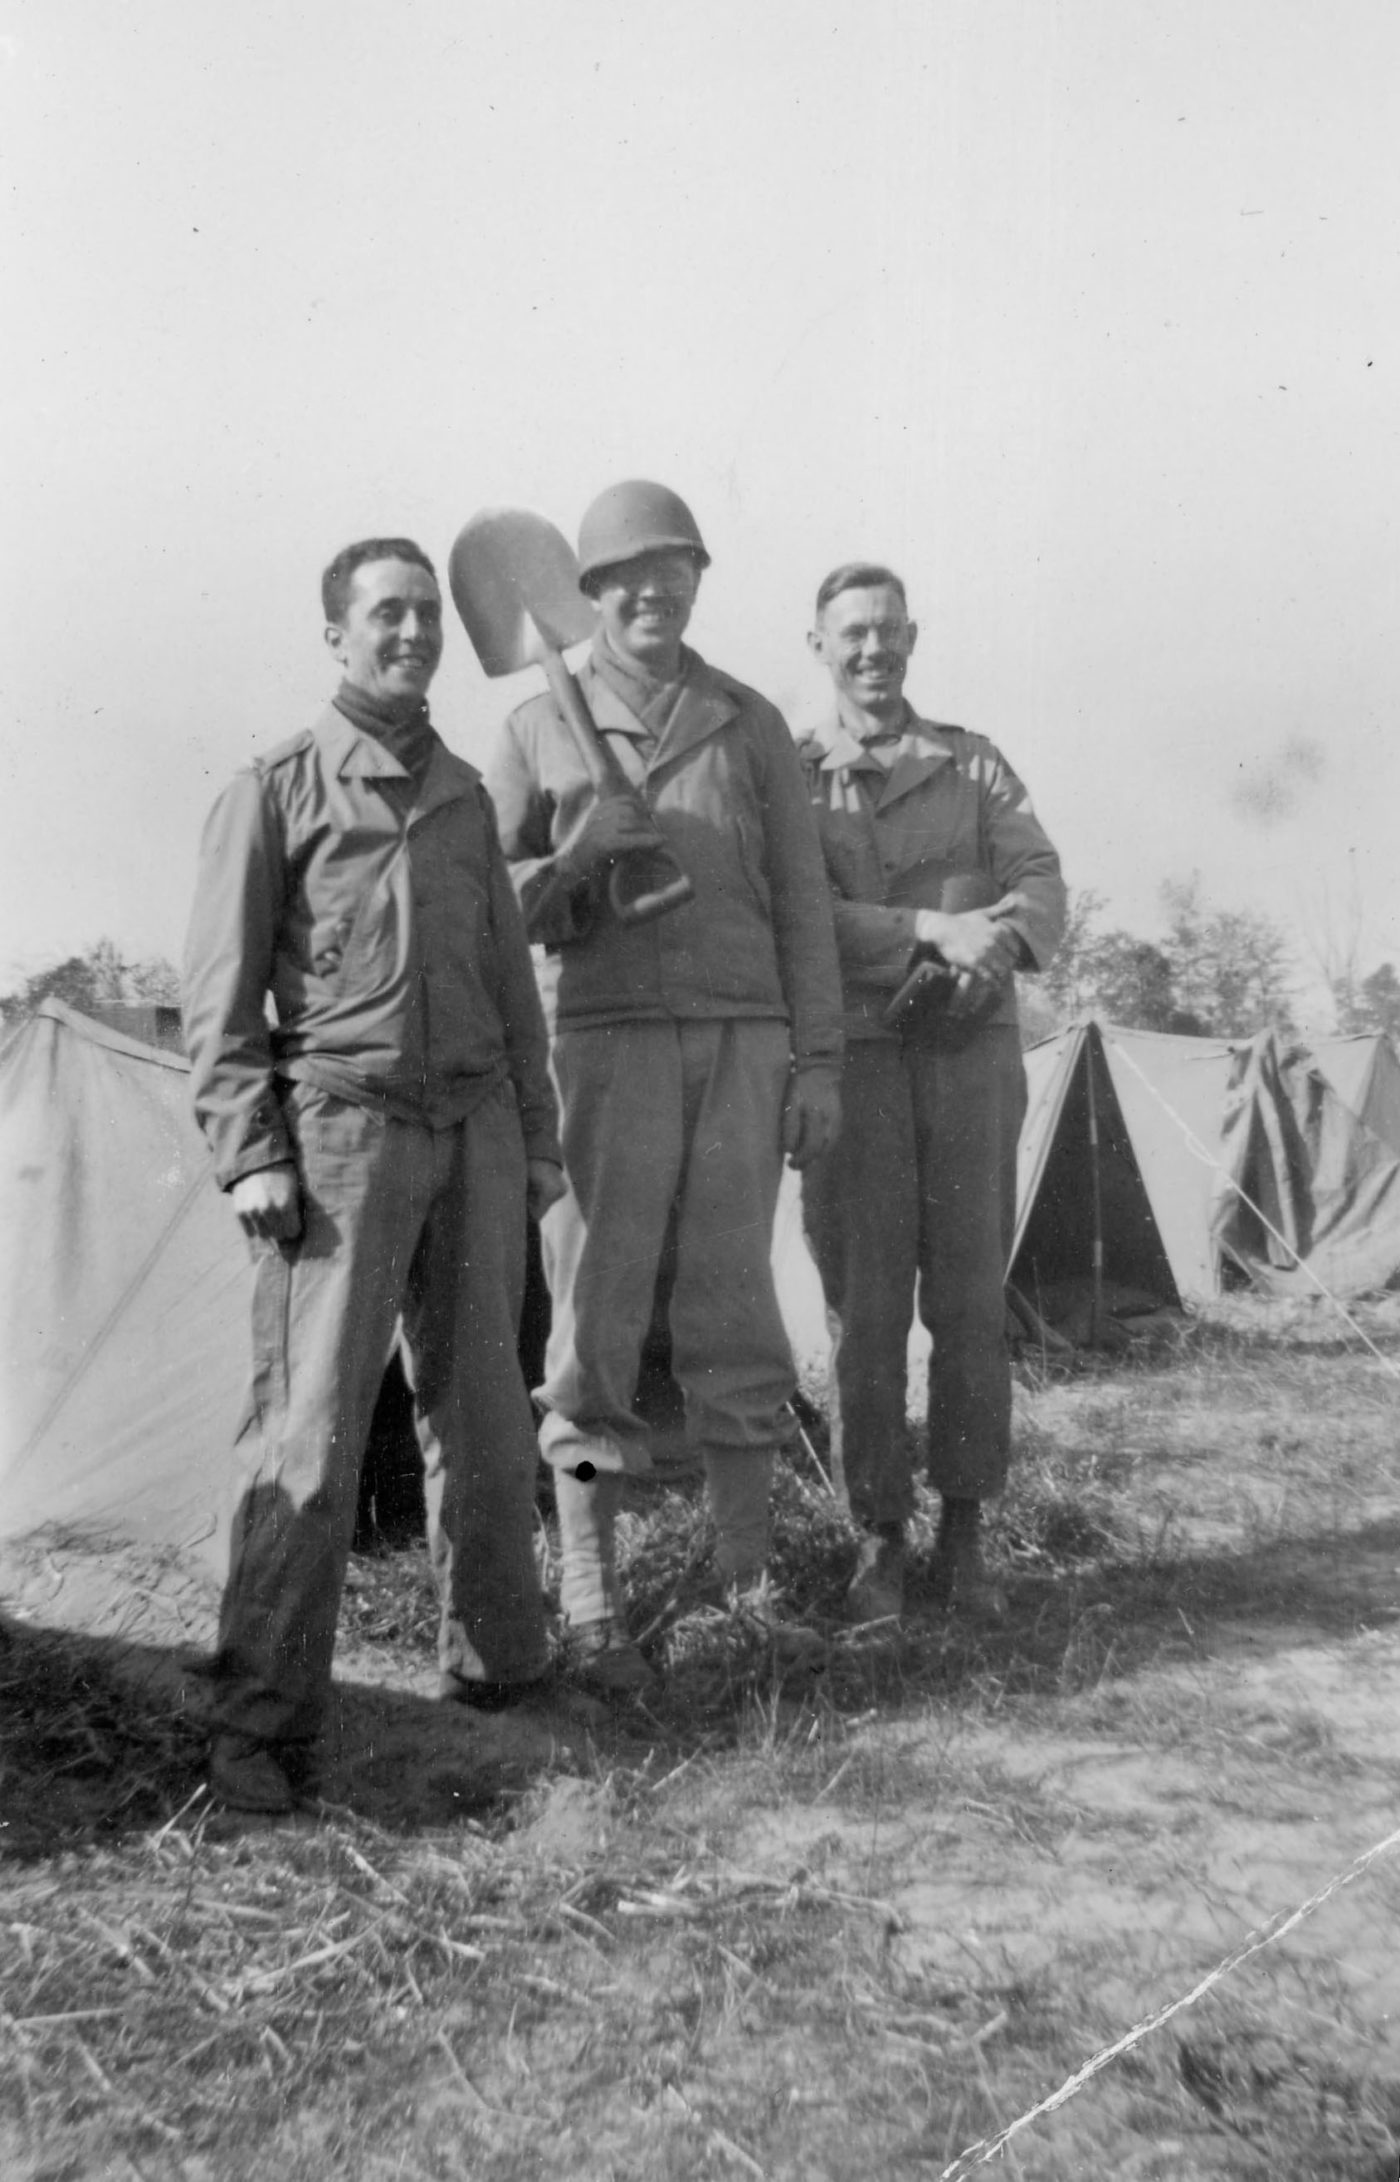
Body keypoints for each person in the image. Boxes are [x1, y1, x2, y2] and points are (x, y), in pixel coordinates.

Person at [183, 537, 565, 1812]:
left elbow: (514, 993)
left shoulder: (461, 790)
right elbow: (219, 997)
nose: (411, 634)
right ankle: (261, 1724)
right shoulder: (275, 787)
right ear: (335, 634)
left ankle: (496, 1666)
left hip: (474, 1135)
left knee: (487, 1417)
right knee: (309, 1438)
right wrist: (250, 1155)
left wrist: (538, 1143)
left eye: (423, 616)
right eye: (384, 615)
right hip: (337, 1138)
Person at [487, 481, 844, 1690]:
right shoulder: (542, 724)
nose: (653, 590)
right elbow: (491, 909)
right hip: (601, 1045)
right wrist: (576, 855)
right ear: (586, 594)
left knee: (737, 1314)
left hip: (745, 1044)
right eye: (625, 574)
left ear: (698, 579)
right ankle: (590, 1593)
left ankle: (743, 1582)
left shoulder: (745, 722)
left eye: (674, 567)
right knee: (589, 1331)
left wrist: (821, 1060)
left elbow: (802, 904)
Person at [799, 562, 1066, 1623]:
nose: (872, 650)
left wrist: (992, 944)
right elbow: (793, 915)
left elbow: (1040, 879)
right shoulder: (791, 772)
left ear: (914, 636)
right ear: (817, 645)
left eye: (888, 630)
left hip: (967, 1057)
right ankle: (876, 1539)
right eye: (851, 634)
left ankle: (965, 1539)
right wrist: (916, 933)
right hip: (854, 1062)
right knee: (862, 1313)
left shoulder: (972, 764)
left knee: (965, 1302)